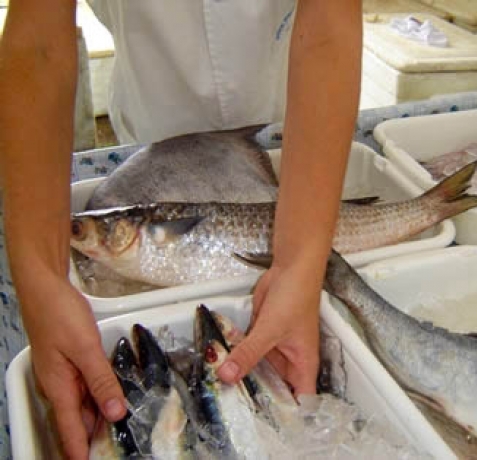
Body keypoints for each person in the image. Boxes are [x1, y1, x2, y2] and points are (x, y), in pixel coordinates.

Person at [0, 1, 362, 458]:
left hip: (286, 131)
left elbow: (329, 25)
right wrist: (39, 280)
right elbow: (38, 44)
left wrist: (301, 263)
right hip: (150, 139)